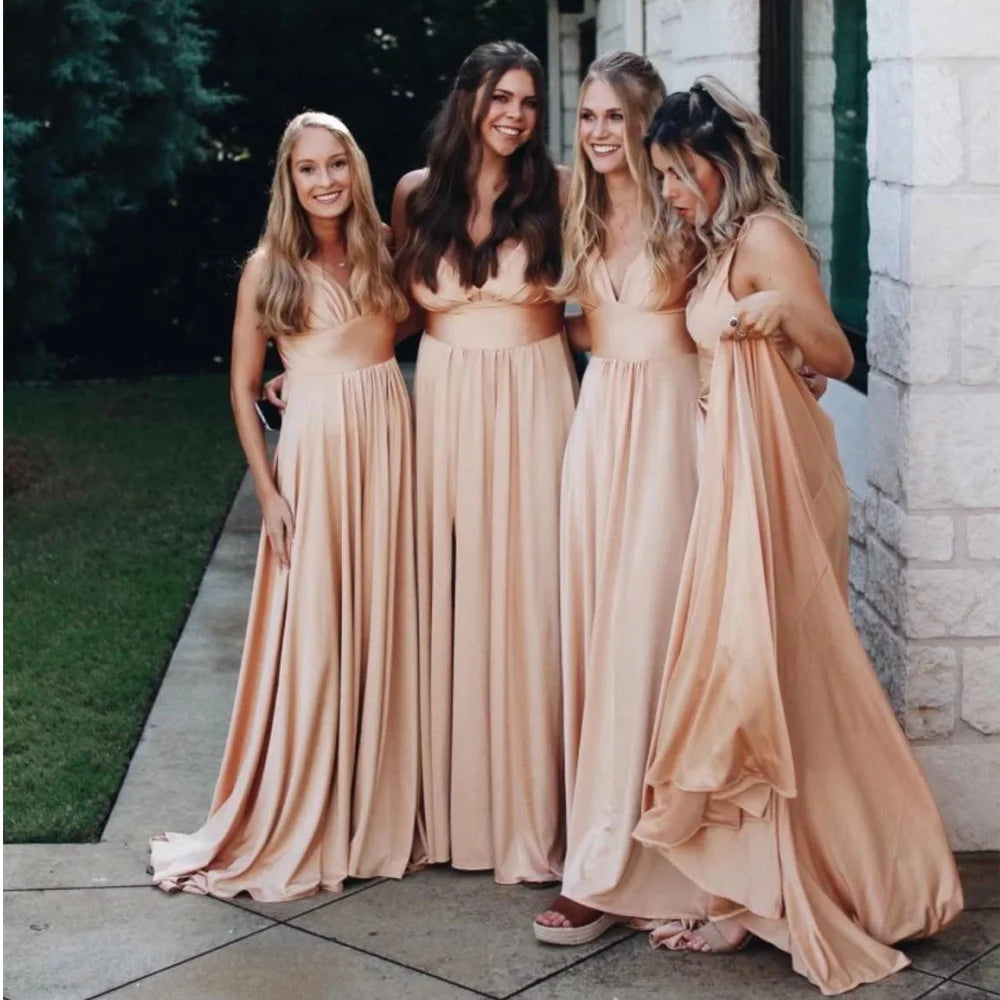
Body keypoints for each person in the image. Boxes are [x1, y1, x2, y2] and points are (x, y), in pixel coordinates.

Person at [632, 77, 963, 993]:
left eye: (675, 173)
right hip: (734, 486)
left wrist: (776, 319)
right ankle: (750, 894)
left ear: (717, 159)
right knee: (753, 687)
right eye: (659, 176)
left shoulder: (768, 237)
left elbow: (836, 355)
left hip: (776, 493)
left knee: (771, 679)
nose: (669, 191)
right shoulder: (721, 244)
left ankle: (864, 884)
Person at [150, 112, 422, 901]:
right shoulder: (268, 267)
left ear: (355, 167)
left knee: (380, 617)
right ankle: (304, 800)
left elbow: (400, 331)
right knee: (315, 628)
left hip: (387, 444)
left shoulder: (383, 243)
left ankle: (374, 798)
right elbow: (239, 385)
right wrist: (268, 491)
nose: (325, 180)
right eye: (308, 169)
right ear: (288, 178)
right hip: (314, 462)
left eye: (337, 164)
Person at [533, 51, 712, 945]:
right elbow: (570, 324)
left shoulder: (690, 214)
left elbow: (730, 315)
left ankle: (645, 862)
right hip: (600, 427)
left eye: (616, 116)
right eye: (589, 116)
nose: (599, 132)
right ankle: (595, 843)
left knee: (653, 633)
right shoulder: (577, 211)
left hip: (674, 432)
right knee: (600, 635)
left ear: (647, 123)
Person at [392, 40, 576, 885]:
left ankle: (534, 813)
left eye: (530, 102)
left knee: (533, 591)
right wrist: (305, 360)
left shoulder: (562, 192)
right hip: (445, 403)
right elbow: (392, 313)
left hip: (536, 400)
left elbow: (620, 295)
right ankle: (455, 811)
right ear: (467, 97)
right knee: (453, 588)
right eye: (502, 96)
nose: (516, 114)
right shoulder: (416, 197)